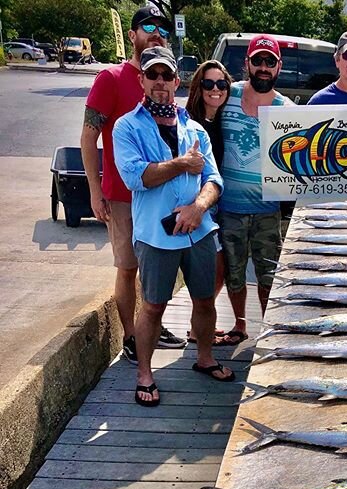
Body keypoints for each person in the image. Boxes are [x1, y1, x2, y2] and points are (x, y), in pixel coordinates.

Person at [113, 46, 232, 408]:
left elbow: (213, 179)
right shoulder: (126, 126)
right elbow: (136, 177)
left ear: (177, 81)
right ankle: (145, 374)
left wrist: (198, 207)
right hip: (155, 235)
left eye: (167, 75)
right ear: (142, 80)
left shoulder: (194, 128)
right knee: (152, 306)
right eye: (153, 75)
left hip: (198, 230)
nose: (160, 82)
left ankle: (205, 356)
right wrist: (183, 164)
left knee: (205, 299)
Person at [81, 5, 185, 365]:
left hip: (157, 194)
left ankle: (150, 325)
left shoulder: (162, 79)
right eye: (148, 26)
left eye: (163, 29)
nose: (156, 32)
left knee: (155, 264)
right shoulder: (110, 78)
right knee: (127, 267)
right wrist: (95, 191)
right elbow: (88, 137)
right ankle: (129, 335)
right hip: (123, 197)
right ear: (132, 34)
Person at [216, 34, 293, 347]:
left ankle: (269, 331)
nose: (263, 67)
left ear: (278, 67)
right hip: (228, 207)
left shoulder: (286, 108)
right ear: (246, 63)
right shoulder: (225, 95)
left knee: (268, 275)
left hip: (267, 210)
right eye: (257, 61)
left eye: (269, 62)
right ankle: (239, 324)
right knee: (234, 273)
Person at [185, 59, 232, 341]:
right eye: (208, 84)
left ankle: (200, 324)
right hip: (198, 206)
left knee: (217, 269)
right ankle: (197, 327)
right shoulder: (190, 123)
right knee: (213, 270)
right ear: (198, 87)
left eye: (221, 84)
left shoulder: (222, 117)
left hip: (216, 203)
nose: (215, 90)